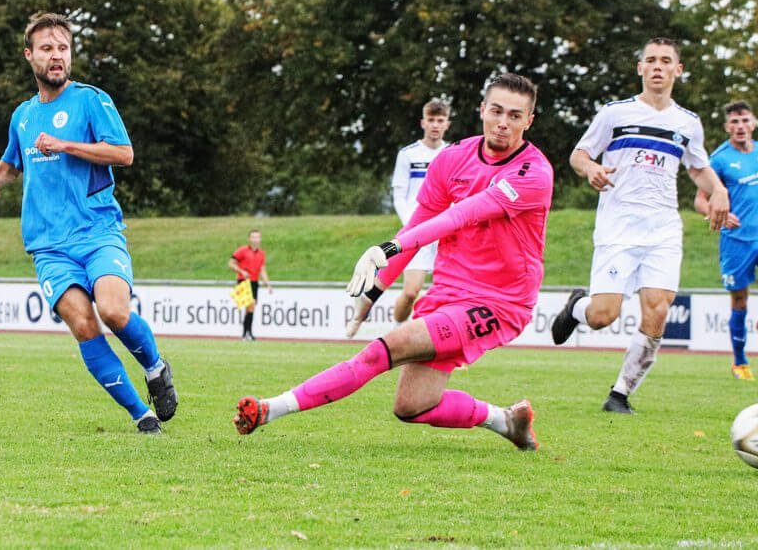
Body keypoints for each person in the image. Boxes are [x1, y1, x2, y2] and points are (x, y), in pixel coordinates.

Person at [234, 73, 552, 451]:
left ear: (529, 121)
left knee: (383, 349)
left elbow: (462, 215)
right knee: (412, 406)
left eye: (515, 116)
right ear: (482, 109)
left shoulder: (533, 172)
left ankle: (270, 409)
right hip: (448, 293)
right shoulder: (452, 160)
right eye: (496, 111)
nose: (503, 122)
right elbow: (419, 226)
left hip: (497, 302)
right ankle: (507, 420)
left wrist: (388, 247)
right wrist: (372, 293)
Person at [0, 12, 177, 435]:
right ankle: (141, 415)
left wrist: (66, 145)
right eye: (47, 48)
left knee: (114, 311)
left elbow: (124, 154)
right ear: (30, 56)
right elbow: (8, 169)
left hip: (97, 232)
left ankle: (154, 367)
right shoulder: (22, 116)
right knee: (84, 325)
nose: (56, 55)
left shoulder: (91, 100)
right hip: (48, 245)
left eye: (63, 48)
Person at [550, 38, 730, 414]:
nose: (658, 66)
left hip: (663, 228)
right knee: (603, 316)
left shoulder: (688, 123)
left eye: (666, 61)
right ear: (640, 68)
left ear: (678, 70)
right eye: (651, 60)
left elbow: (698, 168)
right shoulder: (615, 113)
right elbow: (579, 154)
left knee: (658, 311)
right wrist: (592, 169)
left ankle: (620, 394)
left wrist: (719, 191)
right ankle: (576, 307)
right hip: (618, 225)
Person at [694, 101, 758, 379]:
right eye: (734, 123)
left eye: (744, 121)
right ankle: (740, 362)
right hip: (736, 240)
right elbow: (700, 200)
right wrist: (720, 214)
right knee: (739, 301)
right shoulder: (719, 159)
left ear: (753, 123)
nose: (740, 127)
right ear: (727, 127)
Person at [370, 99, 450, 332]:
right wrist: (414, 227)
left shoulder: (453, 153)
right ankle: (396, 331)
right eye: (432, 120)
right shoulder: (408, 154)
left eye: (440, 120)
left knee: (447, 294)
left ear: (447, 124)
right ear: (423, 122)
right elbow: (399, 196)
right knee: (410, 292)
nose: (435, 125)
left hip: (447, 232)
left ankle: (443, 345)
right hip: (418, 234)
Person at [228, 229, 273, 340]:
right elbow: (231, 263)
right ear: (249, 238)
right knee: (250, 305)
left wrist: (267, 283)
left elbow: (262, 270)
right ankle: (247, 334)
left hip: (254, 282)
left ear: (260, 239)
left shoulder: (261, 253)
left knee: (251, 308)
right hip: (243, 281)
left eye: (257, 237)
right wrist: (241, 271)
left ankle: (246, 334)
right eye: (253, 237)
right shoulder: (242, 251)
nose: (255, 239)